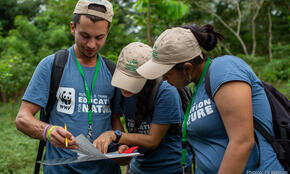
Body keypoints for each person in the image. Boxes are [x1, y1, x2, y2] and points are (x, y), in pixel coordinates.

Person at [136, 24, 285, 173]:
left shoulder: (225, 69)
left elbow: (242, 142)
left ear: (187, 68)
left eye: (166, 74)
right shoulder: (198, 87)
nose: (164, 79)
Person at [15, 0, 123, 173]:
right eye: (85, 36)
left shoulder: (112, 71)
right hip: (61, 169)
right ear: (73, 27)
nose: (91, 45)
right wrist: (48, 131)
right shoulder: (53, 65)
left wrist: (122, 145)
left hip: (106, 169)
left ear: (107, 32)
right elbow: (22, 118)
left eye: (99, 37)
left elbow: (116, 121)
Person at [93, 42, 191, 174]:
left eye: (132, 81)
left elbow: (152, 141)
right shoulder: (120, 91)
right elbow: (116, 119)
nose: (125, 87)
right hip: (138, 168)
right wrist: (123, 146)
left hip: (170, 168)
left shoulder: (166, 91)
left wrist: (115, 135)